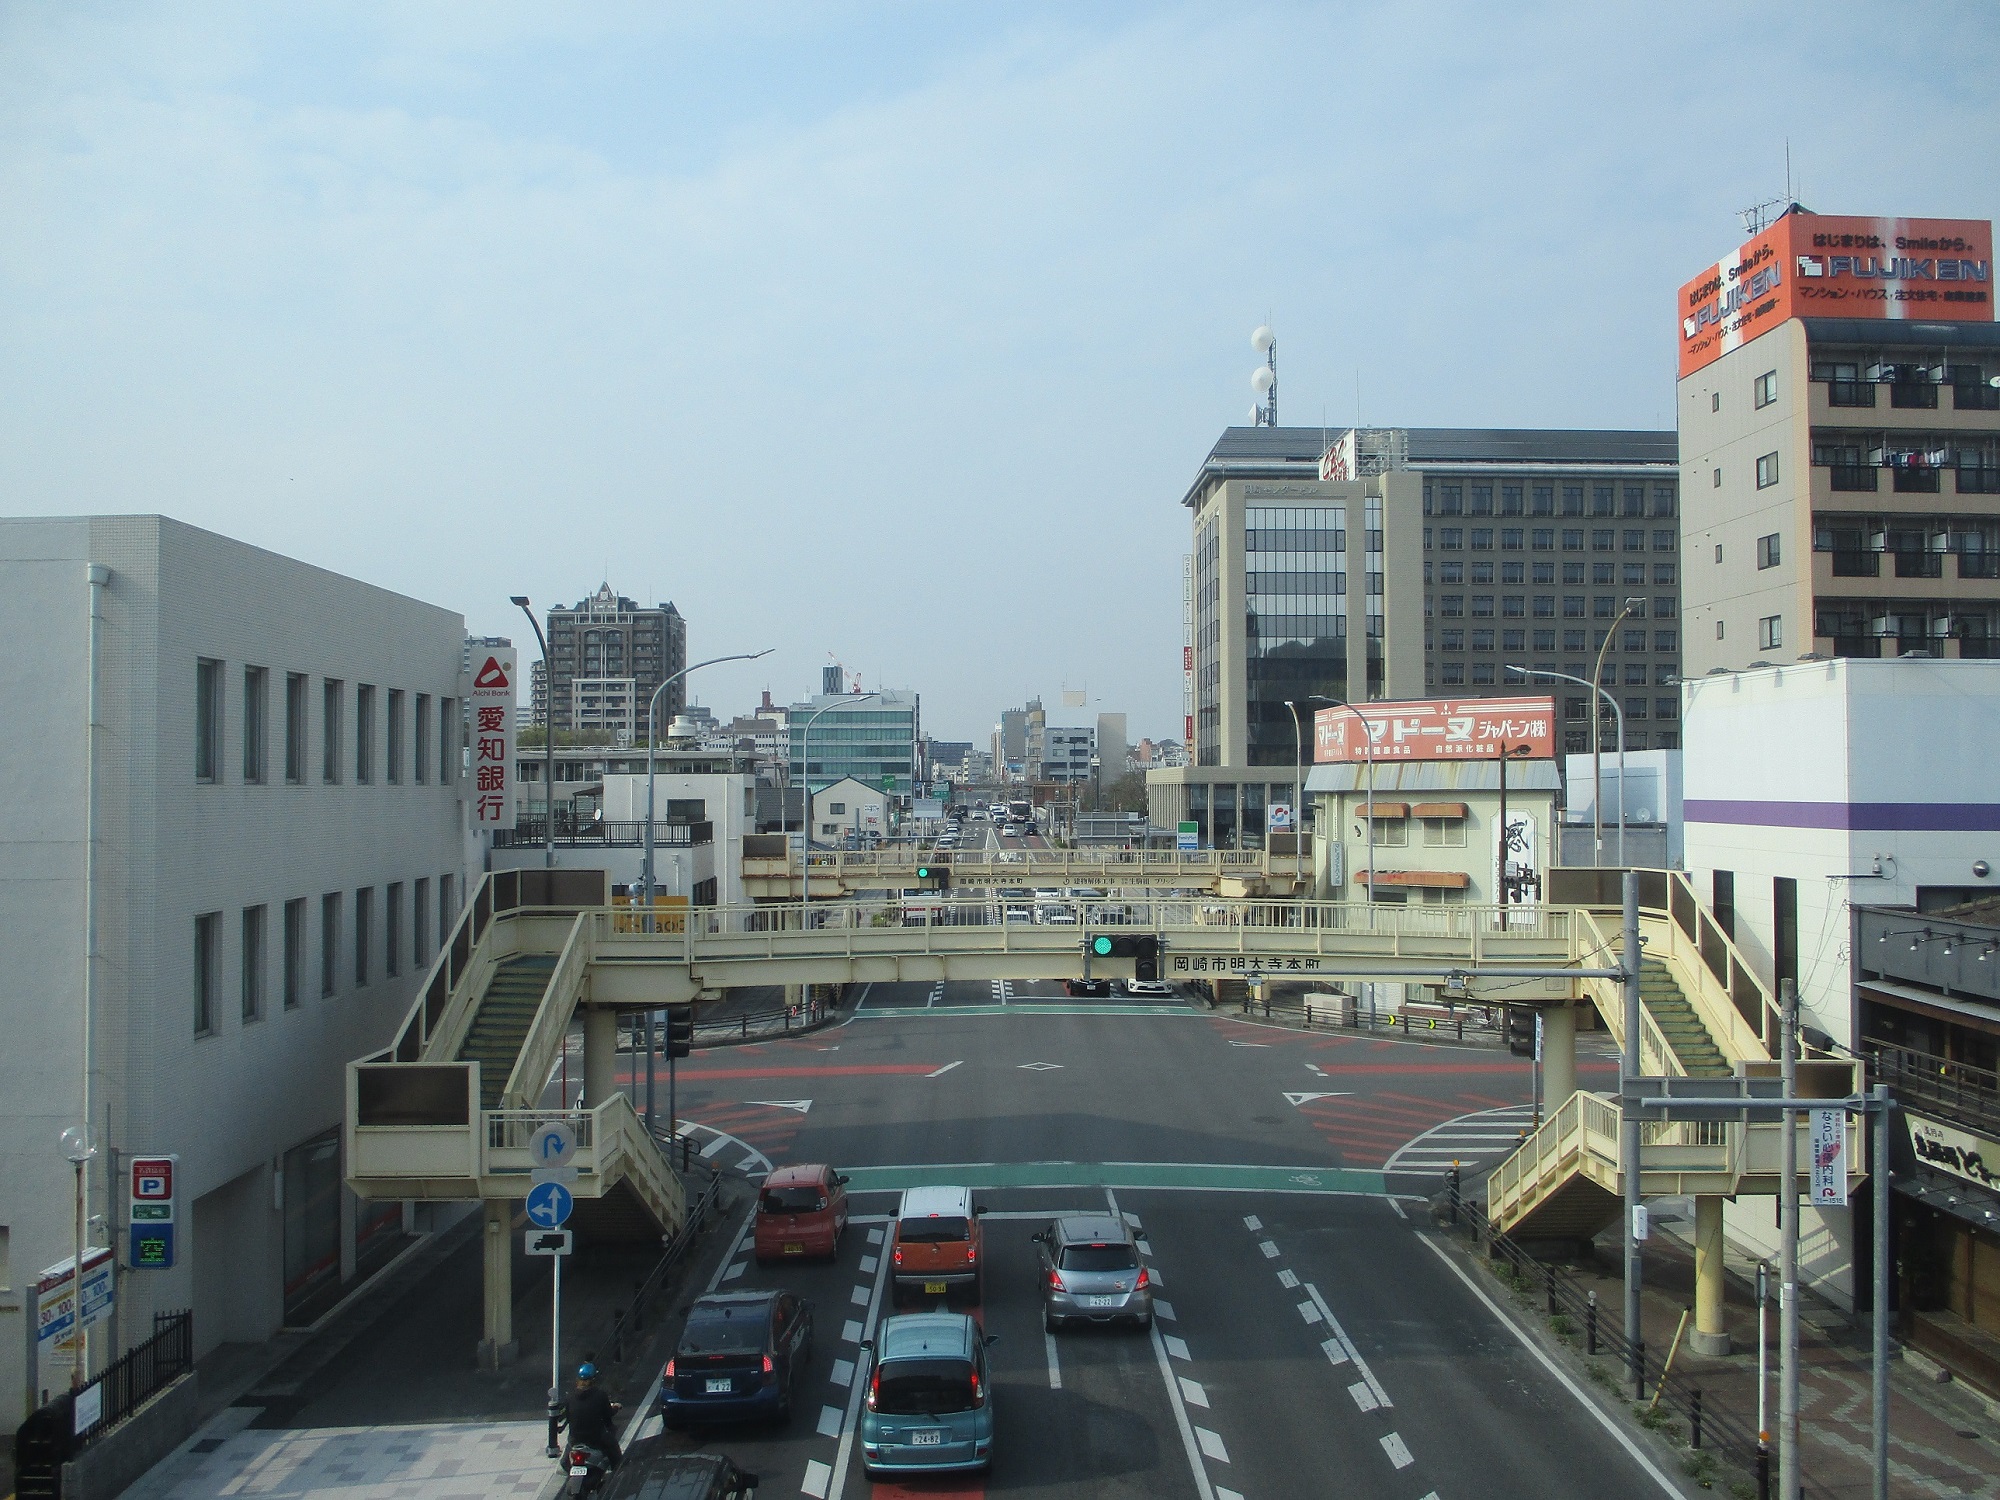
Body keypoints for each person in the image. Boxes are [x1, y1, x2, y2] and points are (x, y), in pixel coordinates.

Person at [561, 1363, 622, 1467]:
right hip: (595, 1438)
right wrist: (616, 1407)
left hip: (575, 1438)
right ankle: (616, 1469)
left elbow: (567, 1415)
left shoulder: (570, 1397)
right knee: (614, 1451)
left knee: (567, 1452)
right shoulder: (600, 1395)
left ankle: (565, 1464)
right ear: (594, 1379)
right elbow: (608, 1414)